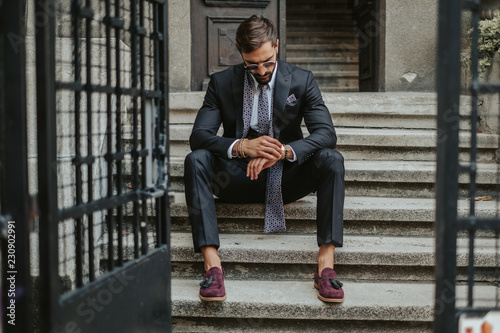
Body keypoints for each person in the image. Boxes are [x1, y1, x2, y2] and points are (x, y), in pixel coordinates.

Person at [184, 15, 345, 303]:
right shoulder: (221, 83)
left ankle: (326, 265)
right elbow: (199, 136)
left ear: (277, 46)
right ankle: (212, 265)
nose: (261, 70)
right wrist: (243, 147)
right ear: (242, 56)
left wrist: (282, 152)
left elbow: (326, 133)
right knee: (196, 158)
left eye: (268, 61)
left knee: (331, 158)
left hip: (287, 179)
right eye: (252, 64)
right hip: (236, 177)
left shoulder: (302, 80)